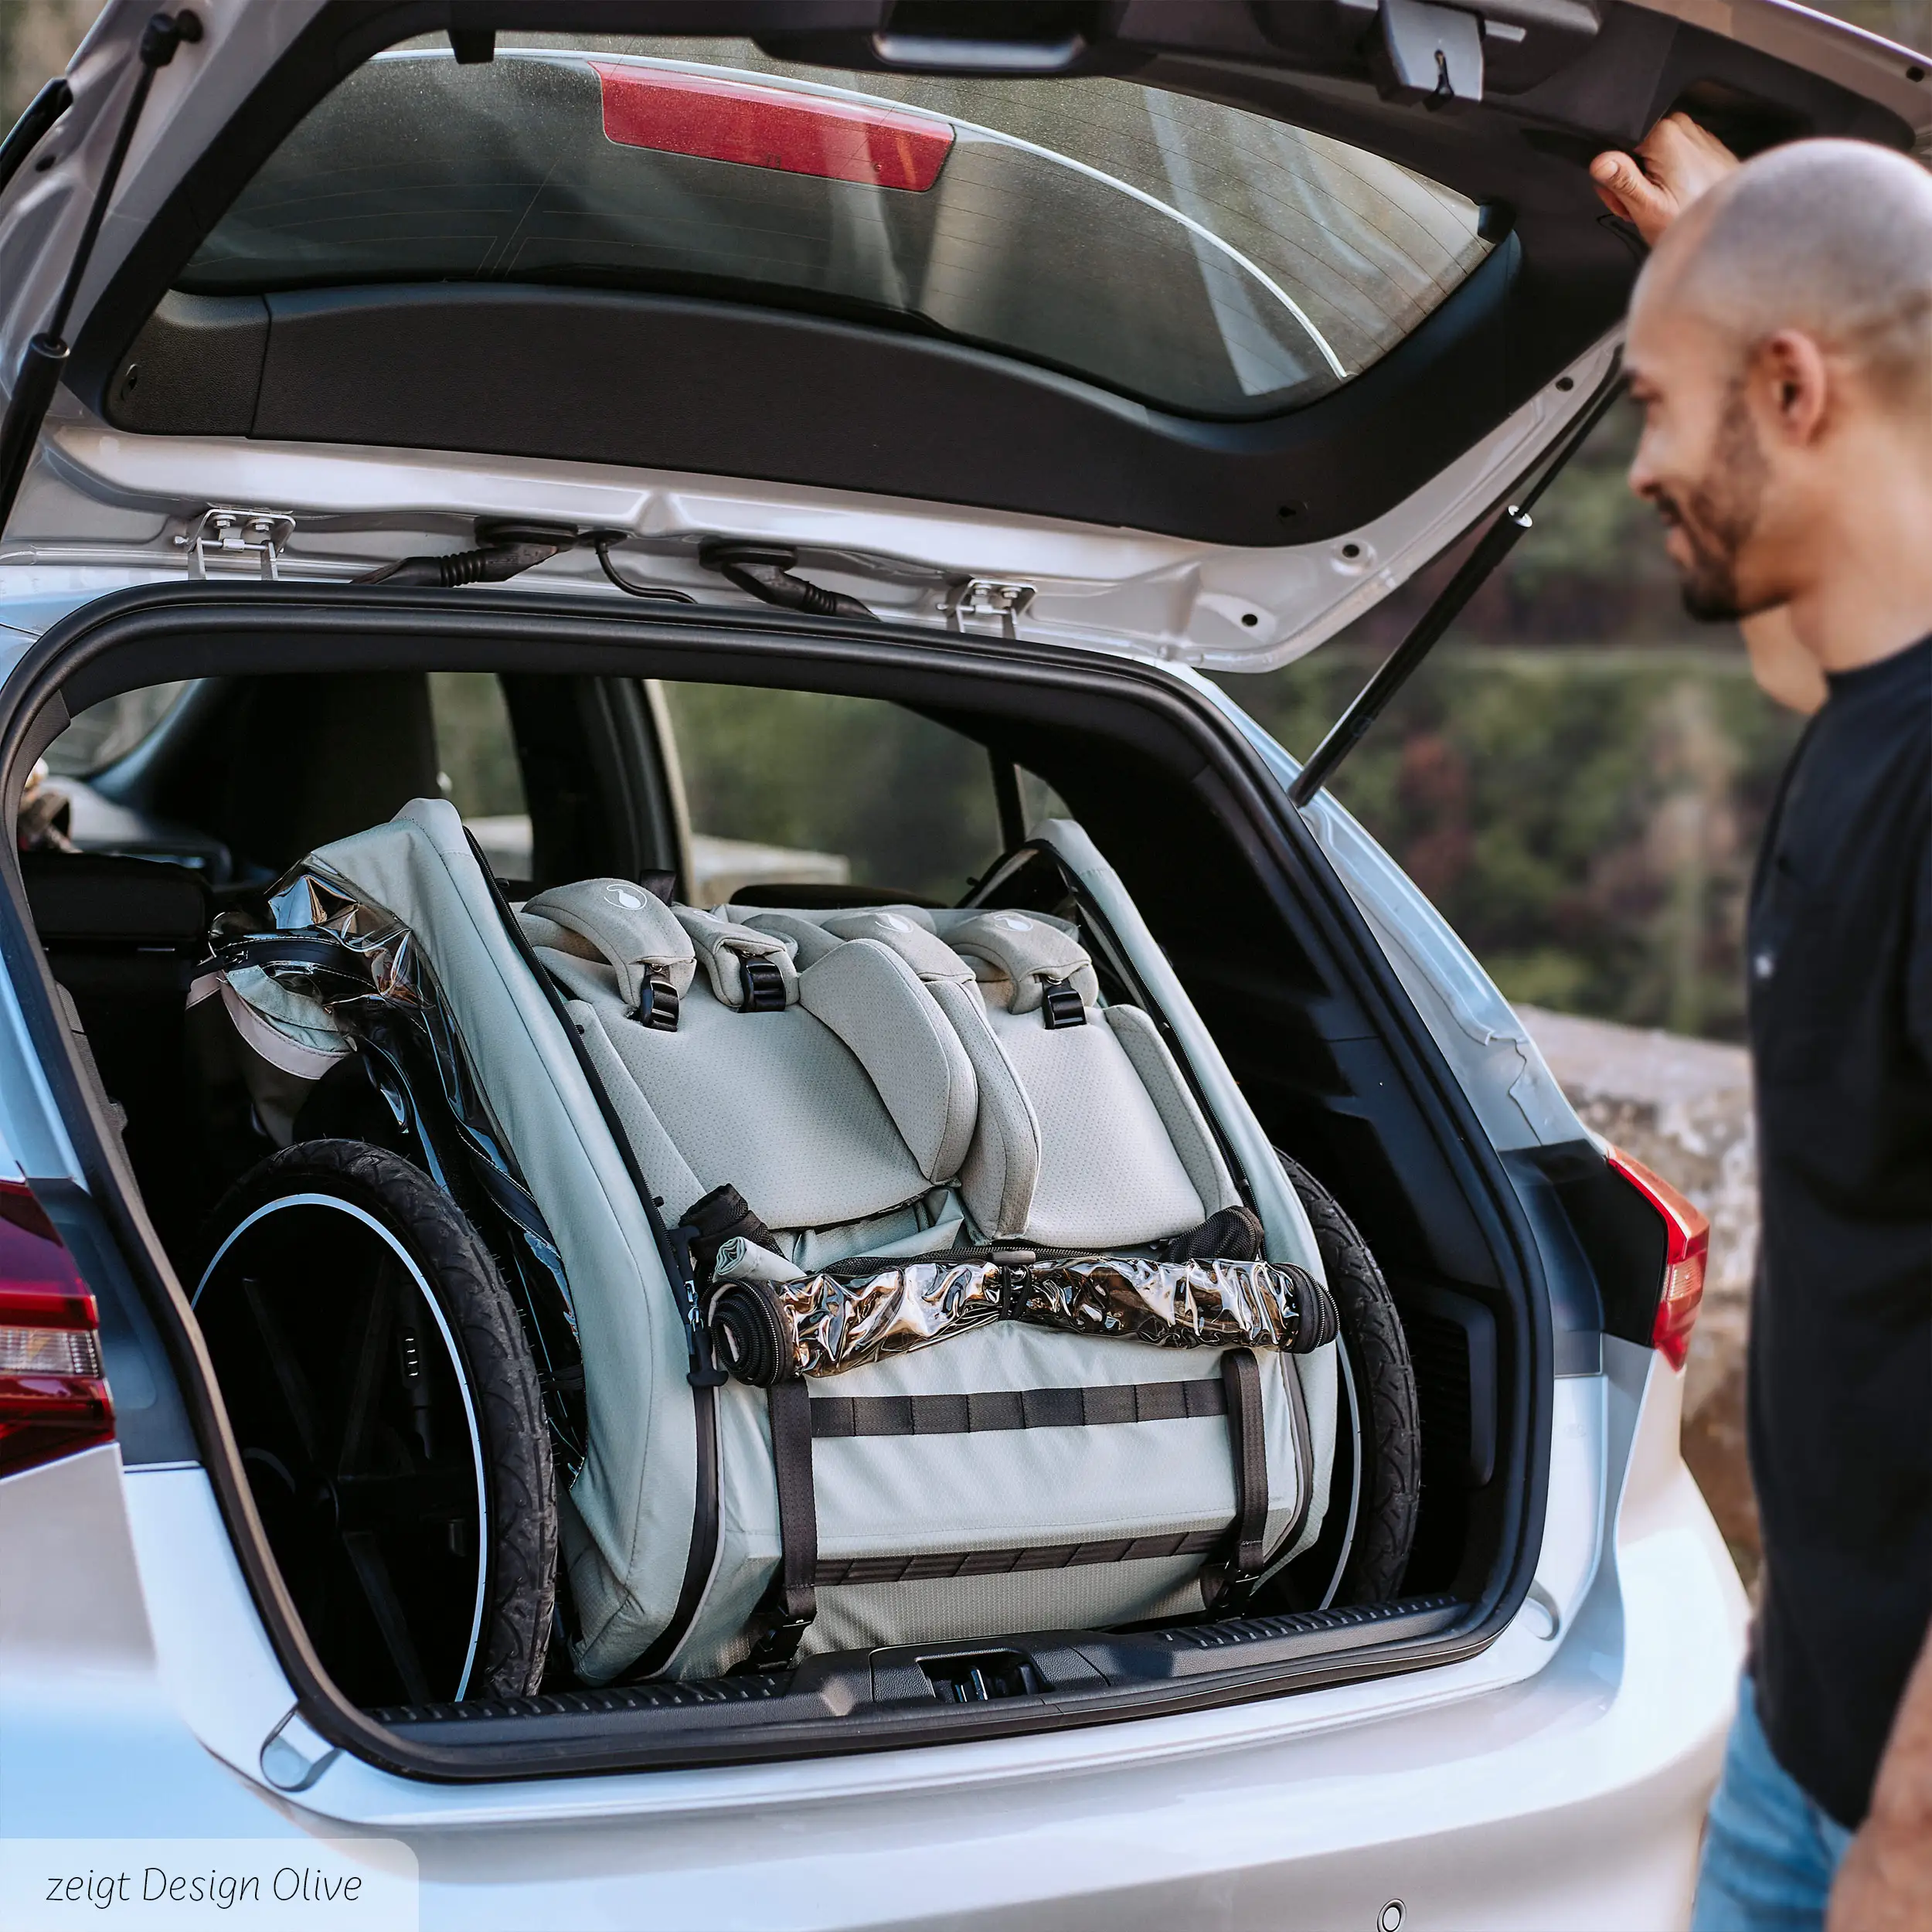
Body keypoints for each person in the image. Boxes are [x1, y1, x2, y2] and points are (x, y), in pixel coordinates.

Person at [1594, 124, 1932, 1930]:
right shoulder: (1865, 696)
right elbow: (1819, 615)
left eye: (1654, 402)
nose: (1643, 459)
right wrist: (1710, 266)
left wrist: (1903, 1844)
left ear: (1792, 389)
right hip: (1801, 1728)